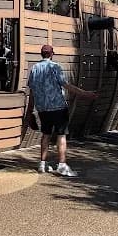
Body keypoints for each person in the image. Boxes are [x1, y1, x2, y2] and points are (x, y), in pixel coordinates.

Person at [27, 44, 97, 177]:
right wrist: (85, 94)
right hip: (58, 107)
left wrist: (30, 110)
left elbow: (32, 92)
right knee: (61, 135)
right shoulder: (55, 67)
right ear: (52, 54)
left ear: (41, 54)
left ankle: (42, 164)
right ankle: (62, 165)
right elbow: (65, 85)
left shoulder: (34, 69)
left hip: (42, 108)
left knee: (46, 134)